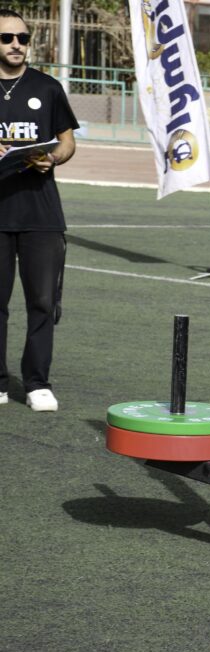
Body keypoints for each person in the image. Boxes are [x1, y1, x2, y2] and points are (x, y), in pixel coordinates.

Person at [0, 8, 78, 412]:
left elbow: (67, 141)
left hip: (42, 214)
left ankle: (36, 383)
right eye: (7, 38)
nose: (16, 45)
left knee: (43, 302)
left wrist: (54, 157)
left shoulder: (47, 88)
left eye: (23, 38)